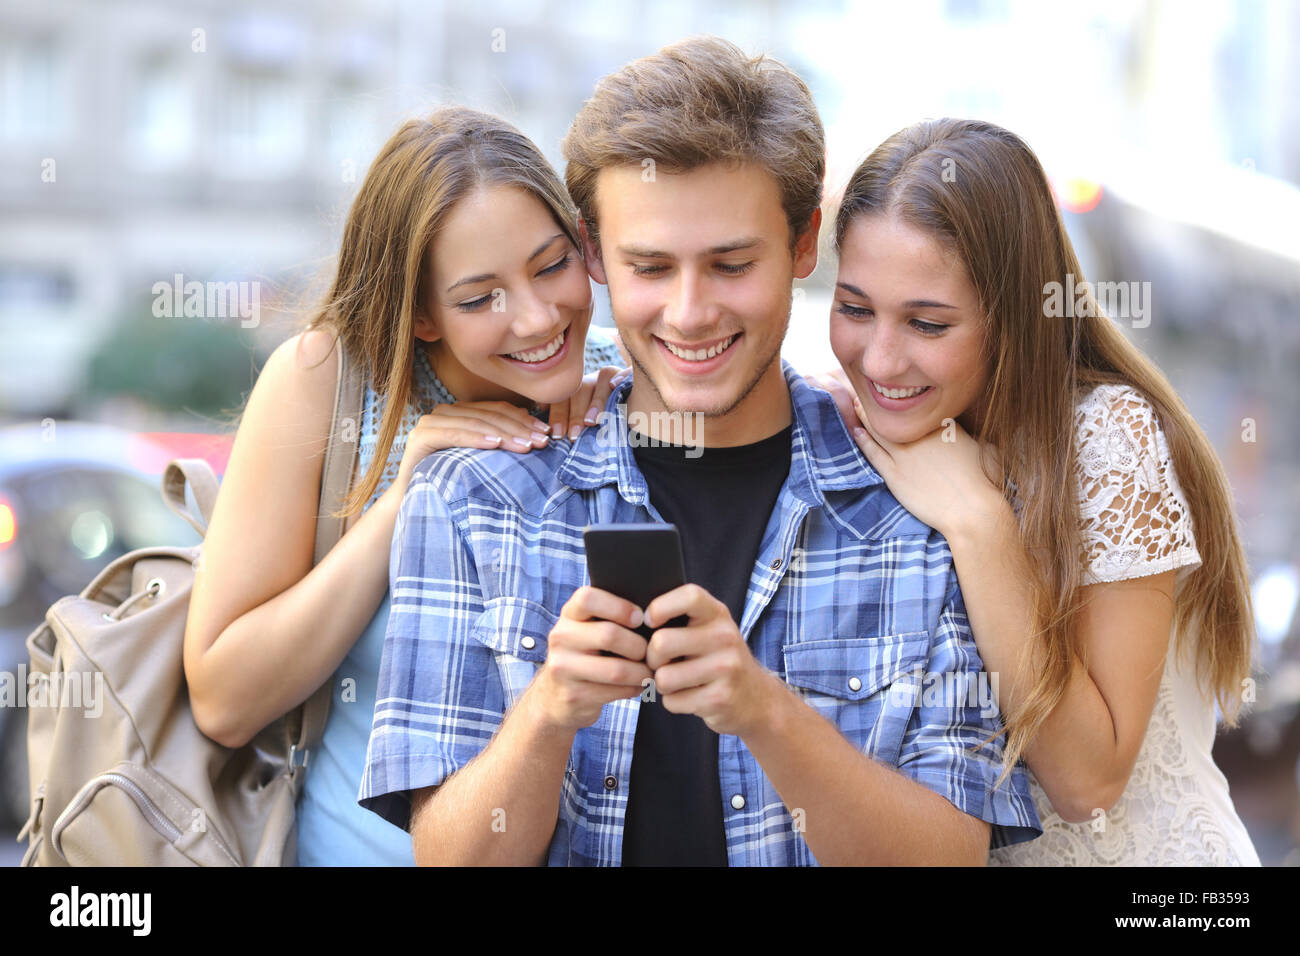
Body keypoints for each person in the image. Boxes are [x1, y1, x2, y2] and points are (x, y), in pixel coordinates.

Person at [359, 37, 1041, 865]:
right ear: (593, 254)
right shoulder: (474, 499)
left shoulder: (919, 503)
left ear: (802, 244)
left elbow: (949, 857)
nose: (689, 313)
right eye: (650, 265)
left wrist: (764, 710)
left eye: (730, 264)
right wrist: (550, 708)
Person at [182, 106, 626, 866]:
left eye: (551, 265)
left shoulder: (620, 380)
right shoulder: (327, 382)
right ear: (421, 314)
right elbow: (224, 699)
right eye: (480, 296)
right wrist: (402, 499)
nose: (537, 316)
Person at [822, 118, 1259, 865]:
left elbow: (1088, 781)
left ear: (1015, 318)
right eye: (856, 309)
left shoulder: (1109, 438)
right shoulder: (883, 427)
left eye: (928, 322)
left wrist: (980, 524)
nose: (881, 357)